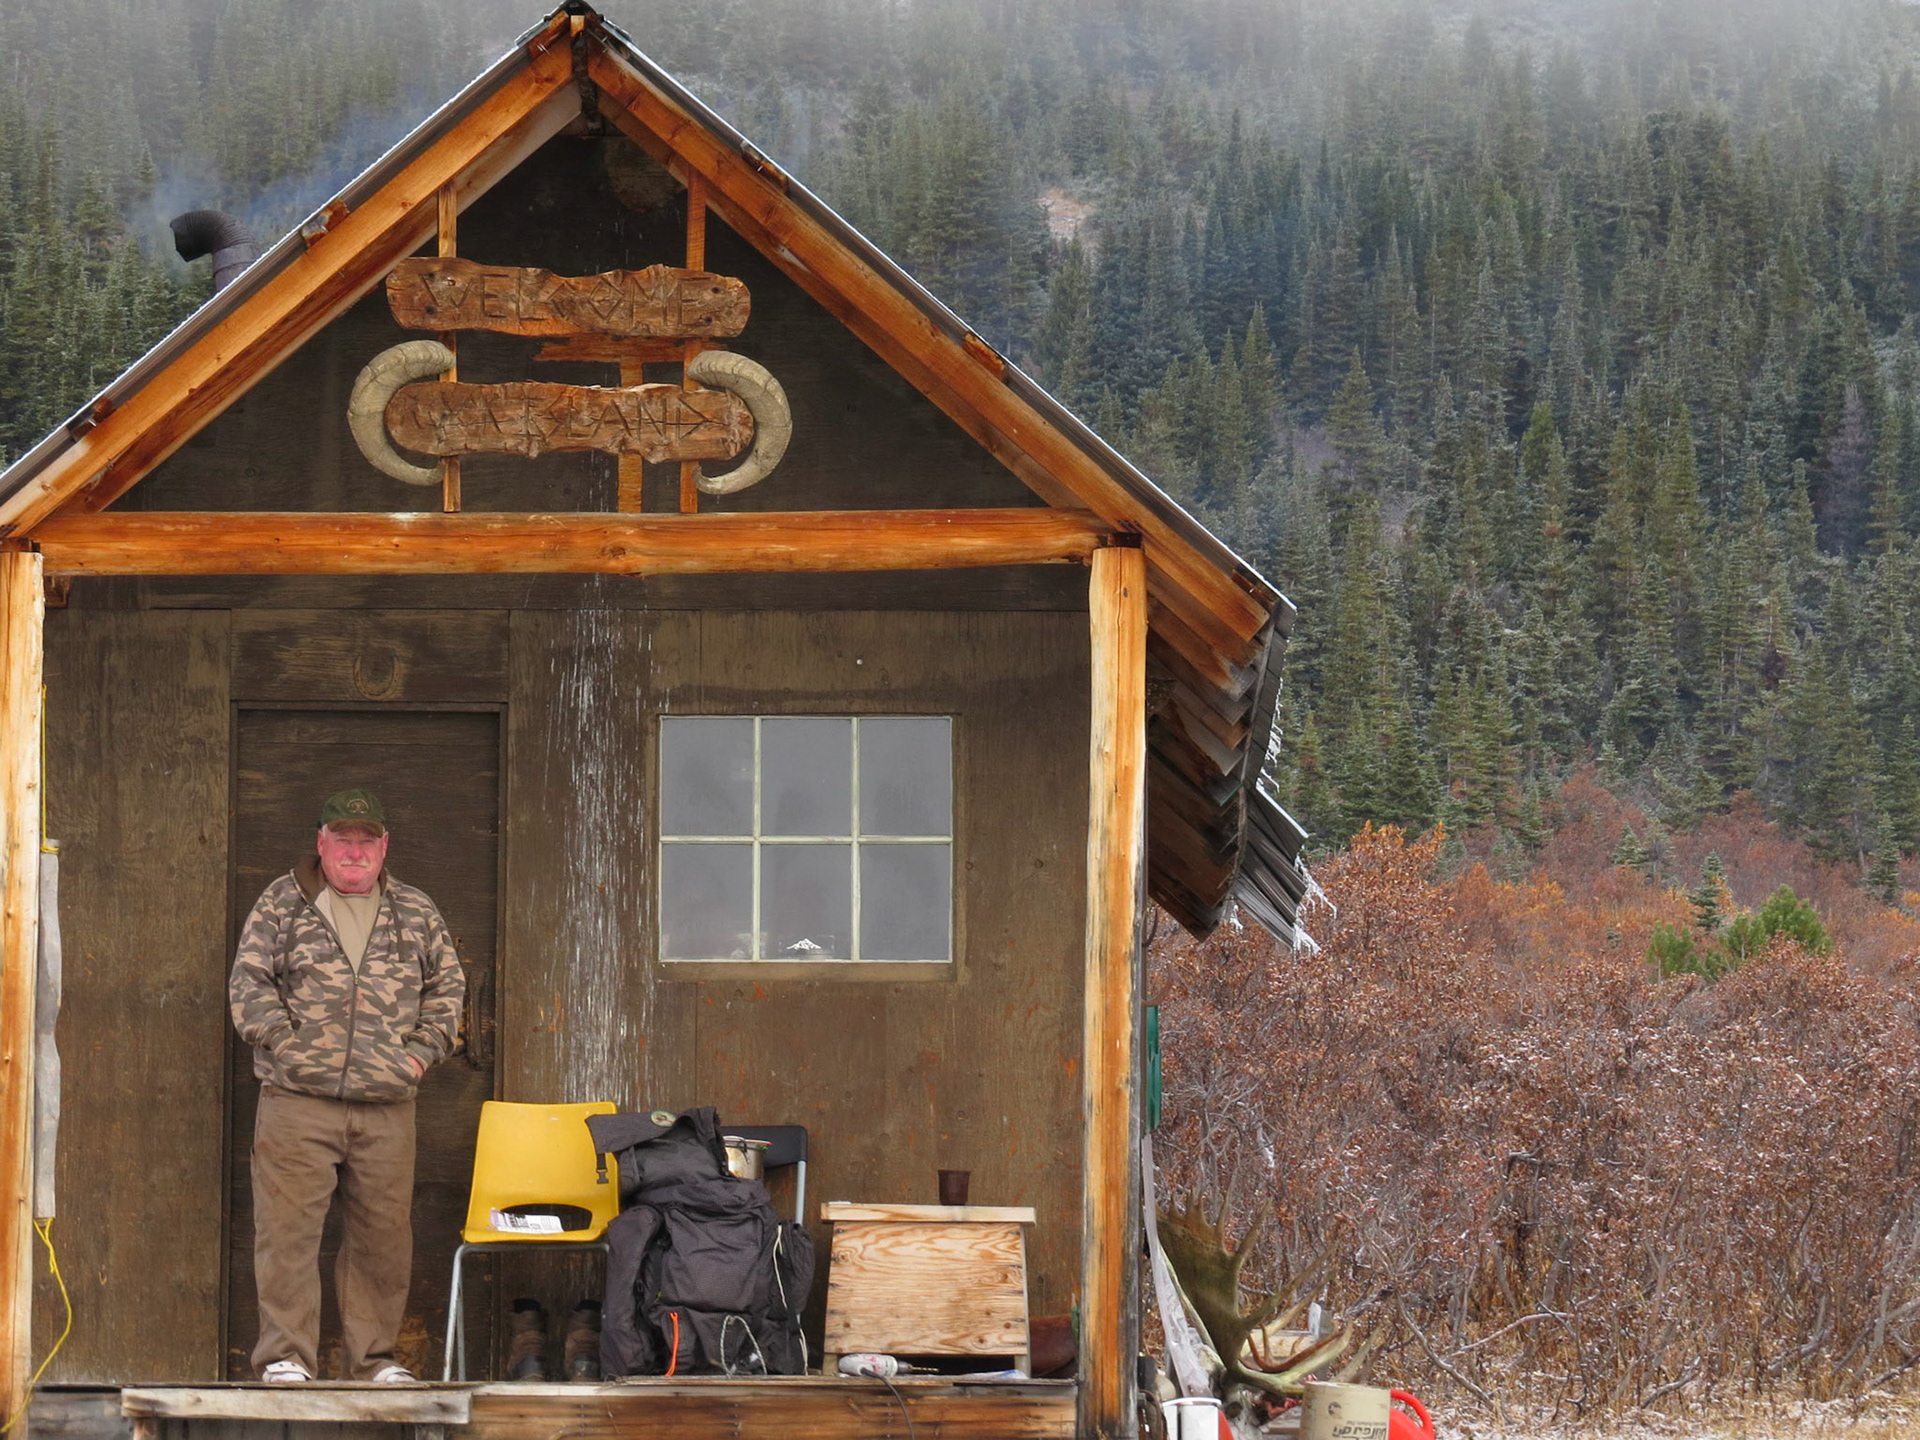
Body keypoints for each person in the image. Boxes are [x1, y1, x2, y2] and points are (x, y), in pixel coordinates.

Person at [229, 787, 466, 1383]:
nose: (354, 852)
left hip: (387, 1106)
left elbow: (447, 990)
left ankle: (374, 1362)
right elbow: (249, 984)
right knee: (286, 1236)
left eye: (366, 841)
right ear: (321, 843)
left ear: (385, 846)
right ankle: (286, 1359)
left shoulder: (415, 910)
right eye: (343, 840)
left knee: (382, 1241)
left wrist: (416, 1059)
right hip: (297, 1104)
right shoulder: (283, 901)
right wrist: (287, 1047)